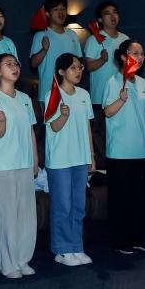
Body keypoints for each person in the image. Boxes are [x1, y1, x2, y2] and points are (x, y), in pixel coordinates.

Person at [0, 53, 38, 278]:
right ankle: (7, 263)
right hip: (3, 164)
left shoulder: (25, 98)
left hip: (24, 161)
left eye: (16, 63)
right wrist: (2, 121)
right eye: (8, 64)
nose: (14, 67)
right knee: (6, 215)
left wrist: (35, 159)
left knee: (26, 214)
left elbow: (30, 130)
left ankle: (22, 259)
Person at [103, 39, 145, 256]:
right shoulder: (114, 82)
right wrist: (121, 100)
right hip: (120, 151)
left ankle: (139, 237)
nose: (140, 58)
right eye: (135, 53)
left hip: (140, 150)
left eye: (142, 54)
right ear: (124, 57)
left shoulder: (142, 83)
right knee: (121, 198)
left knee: (139, 197)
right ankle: (120, 240)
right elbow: (107, 112)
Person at [45, 53, 94, 266]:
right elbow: (53, 127)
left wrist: (91, 155)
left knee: (78, 206)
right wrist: (63, 115)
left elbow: (88, 127)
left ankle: (76, 246)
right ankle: (62, 250)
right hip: (60, 160)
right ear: (61, 71)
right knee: (63, 206)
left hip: (80, 158)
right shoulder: (52, 95)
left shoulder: (84, 94)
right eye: (73, 67)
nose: (78, 71)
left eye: (80, 67)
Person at [84, 1, 129, 169]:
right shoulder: (94, 40)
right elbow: (88, 67)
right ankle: (103, 170)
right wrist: (102, 60)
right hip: (100, 97)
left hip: (121, 96)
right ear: (100, 19)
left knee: (120, 134)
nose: (112, 16)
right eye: (107, 13)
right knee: (101, 136)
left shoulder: (125, 39)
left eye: (115, 12)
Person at [30, 0, 83, 111]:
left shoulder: (72, 35)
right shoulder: (41, 35)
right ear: (47, 13)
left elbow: (79, 63)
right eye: (56, 9)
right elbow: (33, 63)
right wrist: (44, 49)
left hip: (71, 91)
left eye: (63, 9)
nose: (61, 12)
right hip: (48, 92)